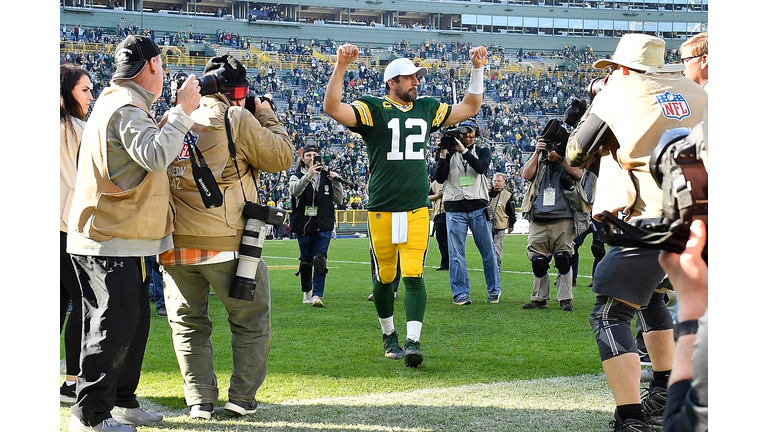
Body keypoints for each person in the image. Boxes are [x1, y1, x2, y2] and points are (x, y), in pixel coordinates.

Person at [565, 34, 707, 431]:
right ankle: (663, 391)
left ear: (624, 67)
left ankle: (630, 418)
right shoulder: (696, 90)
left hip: (659, 218)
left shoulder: (620, 90)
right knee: (652, 299)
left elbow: (577, 151)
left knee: (609, 314)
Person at [66, 35, 201, 432]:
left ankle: (121, 402)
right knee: (110, 325)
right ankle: (90, 416)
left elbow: (138, 159)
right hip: (109, 236)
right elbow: (156, 156)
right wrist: (182, 112)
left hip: (117, 234)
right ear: (154, 66)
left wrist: (167, 120)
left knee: (133, 322)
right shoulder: (125, 106)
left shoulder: (122, 102)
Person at [323, 43, 487, 367]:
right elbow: (332, 107)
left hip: (416, 207)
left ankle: (413, 341)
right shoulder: (374, 108)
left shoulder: (425, 108)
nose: (416, 83)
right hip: (383, 208)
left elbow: (470, 107)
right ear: (391, 83)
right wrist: (341, 65)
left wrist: (478, 68)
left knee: (413, 273)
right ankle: (389, 335)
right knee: (385, 276)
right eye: (409, 78)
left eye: (416, 78)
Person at [159, 54, 293, 420]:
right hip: (228, 244)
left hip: (174, 244)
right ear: (237, 90)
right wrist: (265, 113)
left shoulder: (174, 117)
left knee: (188, 325)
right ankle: (241, 398)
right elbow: (282, 156)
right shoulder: (235, 117)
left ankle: (200, 401)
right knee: (250, 320)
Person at [435, 119, 501, 305]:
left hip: (478, 208)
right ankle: (461, 294)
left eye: (471, 133)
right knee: (456, 254)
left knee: (488, 251)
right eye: (465, 133)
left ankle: (494, 290)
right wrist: (442, 153)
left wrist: (463, 151)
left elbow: (481, 168)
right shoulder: (447, 152)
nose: (469, 136)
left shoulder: (482, 151)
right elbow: (439, 178)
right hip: (455, 208)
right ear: (458, 134)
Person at [60, 63, 93, 404]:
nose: (89, 96)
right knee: (84, 304)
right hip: (67, 228)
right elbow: (83, 183)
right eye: (84, 90)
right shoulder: (76, 129)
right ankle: (72, 381)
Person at [519, 133, 582, 312]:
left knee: (563, 258)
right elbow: (526, 174)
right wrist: (537, 153)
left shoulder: (568, 161)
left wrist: (561, 158)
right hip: (538, 219)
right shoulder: (539, 162)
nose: (550, 151)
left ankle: (565, 299)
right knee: (538, 261)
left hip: (563, 218)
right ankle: (539, 298)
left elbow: (578, 173)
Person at [289, 143, 345, 307]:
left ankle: (317, 295)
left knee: (320, 259)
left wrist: (336, 182)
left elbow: (339, 199)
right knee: (306, 262)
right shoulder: (296, 176)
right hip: (304, 225)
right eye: (308, 155)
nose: (311, 157)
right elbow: (294, 191)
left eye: (315, 155)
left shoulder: (327, 176)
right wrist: (308, 176)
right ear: (302, 158)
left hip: (323, 223)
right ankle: (307, 291)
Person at [488, 173, 517, 272]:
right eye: (495, 181)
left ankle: (496, 267)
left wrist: (511, 224)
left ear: (503, 183)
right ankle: (490, 265)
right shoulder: (487, 193)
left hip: (500, 224)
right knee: (488, 247)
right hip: (487, 224)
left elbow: (511, 211)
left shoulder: (507, 195)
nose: (496, 183)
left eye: (498, 181)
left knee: (497, 247)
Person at [428, 179, 449, 271]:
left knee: (453, 241)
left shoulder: (454, 178)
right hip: (439, 214)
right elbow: (427, 197)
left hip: (452, 213)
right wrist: (437, 195)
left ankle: (453, 263)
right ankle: (445, 263)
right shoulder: (435, 184)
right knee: (441, 241)